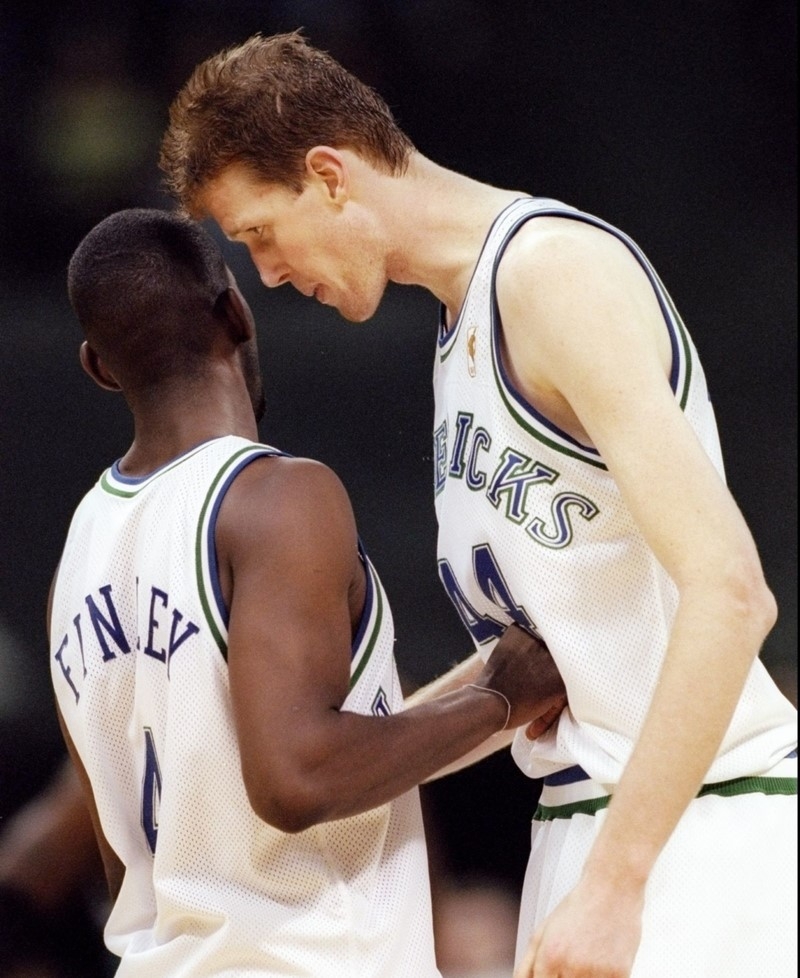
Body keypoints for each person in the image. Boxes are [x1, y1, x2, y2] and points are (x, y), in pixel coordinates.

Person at [158, 31, 799, 978]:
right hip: (591, 829)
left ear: (330, 175)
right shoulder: (463, 323)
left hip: (696, 835)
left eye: (259, 232)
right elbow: (538, 670)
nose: (267, 274)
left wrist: (619, 883)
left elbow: (732, 591)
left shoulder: (550, 275)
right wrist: (332, 779)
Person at [50, 207, 566, 978]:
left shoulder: (82, 548)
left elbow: (120, 857)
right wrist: (499, 698)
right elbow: (298, 776)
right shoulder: (276, 497)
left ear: (97, 366)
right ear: (235, 311)